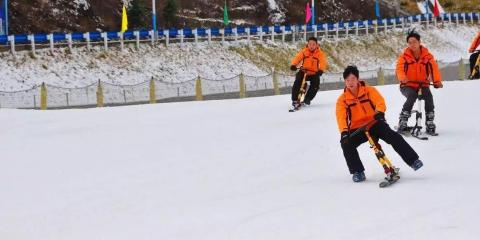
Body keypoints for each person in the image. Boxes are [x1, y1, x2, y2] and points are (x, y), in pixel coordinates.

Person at [336, 66, 423, 182]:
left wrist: (380, 112)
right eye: (347, 80)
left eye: (352, 79)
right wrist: (344, 132)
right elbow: (341, 117)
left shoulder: (369, 91)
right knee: (346, 144)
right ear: (344, 81)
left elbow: (379, 101)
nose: (350, 82)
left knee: (394, 136)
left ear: (357, 79)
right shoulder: (342, 100)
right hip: (358, 128)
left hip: (374, 122)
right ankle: (358, 171)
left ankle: (413, 160)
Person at [395, 30, 442, 135]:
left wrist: (437, 82)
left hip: (422, 85)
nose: (412, 45)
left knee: (429, 97)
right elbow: (399, 69)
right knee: (411, 96)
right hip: (407, 85)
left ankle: (430, 121)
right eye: (410, 42)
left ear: (419, 42)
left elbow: (434, 69)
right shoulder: (404, 57)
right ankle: (403, 120)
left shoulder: (427, 56)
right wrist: (403, 78)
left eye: (414, 42)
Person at [289, 36, 328, 108]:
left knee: (316, 84)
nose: (311, 46)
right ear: (308, 44)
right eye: (310, 44)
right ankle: (295, 99)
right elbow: (297, 58)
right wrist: (293, 65)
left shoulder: (320, 53)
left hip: (314, 73)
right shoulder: (304, 51)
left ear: (316, 45)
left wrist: (321, 70)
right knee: (298, 81)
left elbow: (323, 62)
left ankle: (308, 98)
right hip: (304, 71)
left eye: (313, 44)